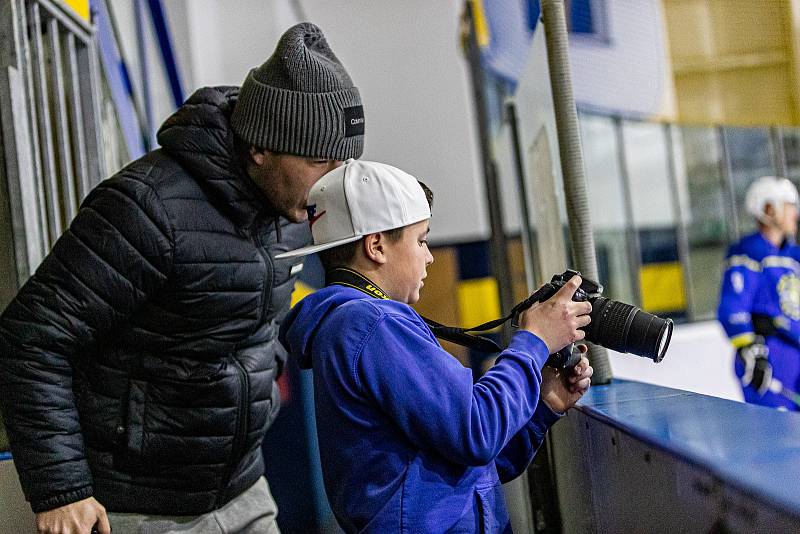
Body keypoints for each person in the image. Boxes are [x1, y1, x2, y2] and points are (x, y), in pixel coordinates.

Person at [0, 22, 364, 534]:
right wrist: (63, 490)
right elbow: (32, 337)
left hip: (246, 491)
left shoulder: (290, 212)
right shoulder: (147, 208)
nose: (333, 180)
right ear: (260, 146)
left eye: (343, 161)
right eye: (318, 160)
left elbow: (253, 325)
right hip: (143, 508)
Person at [277, 160, 594, 533]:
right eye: (421, 240)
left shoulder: (358, 327)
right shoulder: (371, 325)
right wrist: (534, 341)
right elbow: (476, 430)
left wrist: (543, 405)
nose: (429, 256)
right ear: (376, 245)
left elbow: (470, 467)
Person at [718, 175, 800, 411]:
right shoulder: (749, 253)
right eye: (789, 206)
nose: (795, 213)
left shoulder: (793, 256)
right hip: (771, 362)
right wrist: (751, 350)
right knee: (782, 442)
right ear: (769, 208)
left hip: (796, 359)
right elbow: (732, 308)